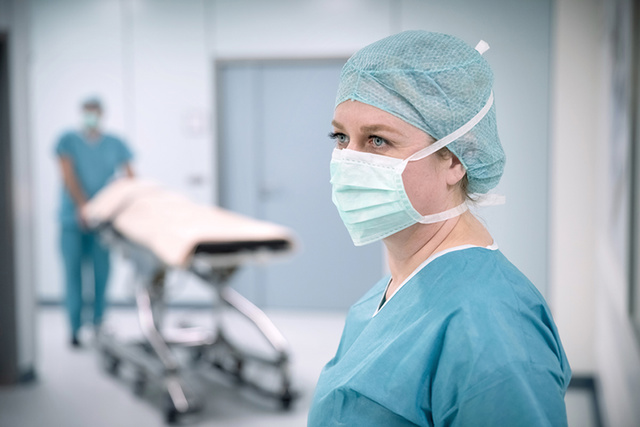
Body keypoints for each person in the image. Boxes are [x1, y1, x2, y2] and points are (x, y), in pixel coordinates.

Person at [308, 31, 571, 426]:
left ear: (454, 160)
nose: (348, 160)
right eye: (341, 137)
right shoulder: (392, 291)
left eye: (377, 140)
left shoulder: (491, 329)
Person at [55, 97, 134, 347]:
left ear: (102, 114)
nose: (91, 117)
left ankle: (98, 323)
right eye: (87, 113)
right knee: (73, 275)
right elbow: (67, 175)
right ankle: (75, 330)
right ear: (82, 114)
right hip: (72, 219)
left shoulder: (115, 144)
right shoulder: (68, 140)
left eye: (95, 113)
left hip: (102, 221)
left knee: (101, 275)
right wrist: (83, 206)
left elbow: (130, 177)